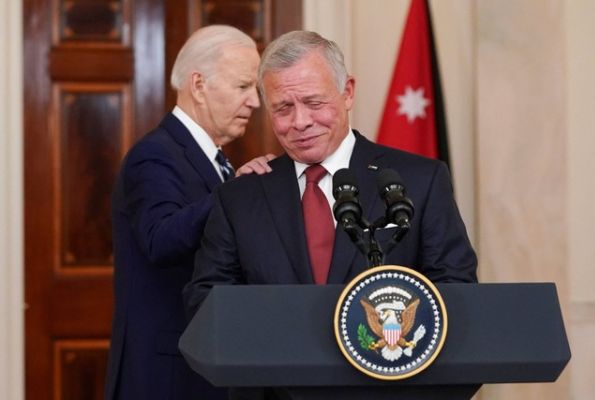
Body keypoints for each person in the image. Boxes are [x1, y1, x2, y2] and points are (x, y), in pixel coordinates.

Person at [183, 30, 477, 316]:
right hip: (278, 362)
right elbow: (206, 302)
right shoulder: (239, 197)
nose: (300, 122)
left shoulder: (420, 180)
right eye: (283, 108)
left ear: (347, 93)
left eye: (314, 103)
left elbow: (455, 290)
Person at [104, 25, 263, 400]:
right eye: (243, 87)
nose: (255, 101)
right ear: (198, 85)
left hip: (202, 363)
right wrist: (234, 192)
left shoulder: (213, 159)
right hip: (167, 373)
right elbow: (160, 239)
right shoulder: (156, 155)